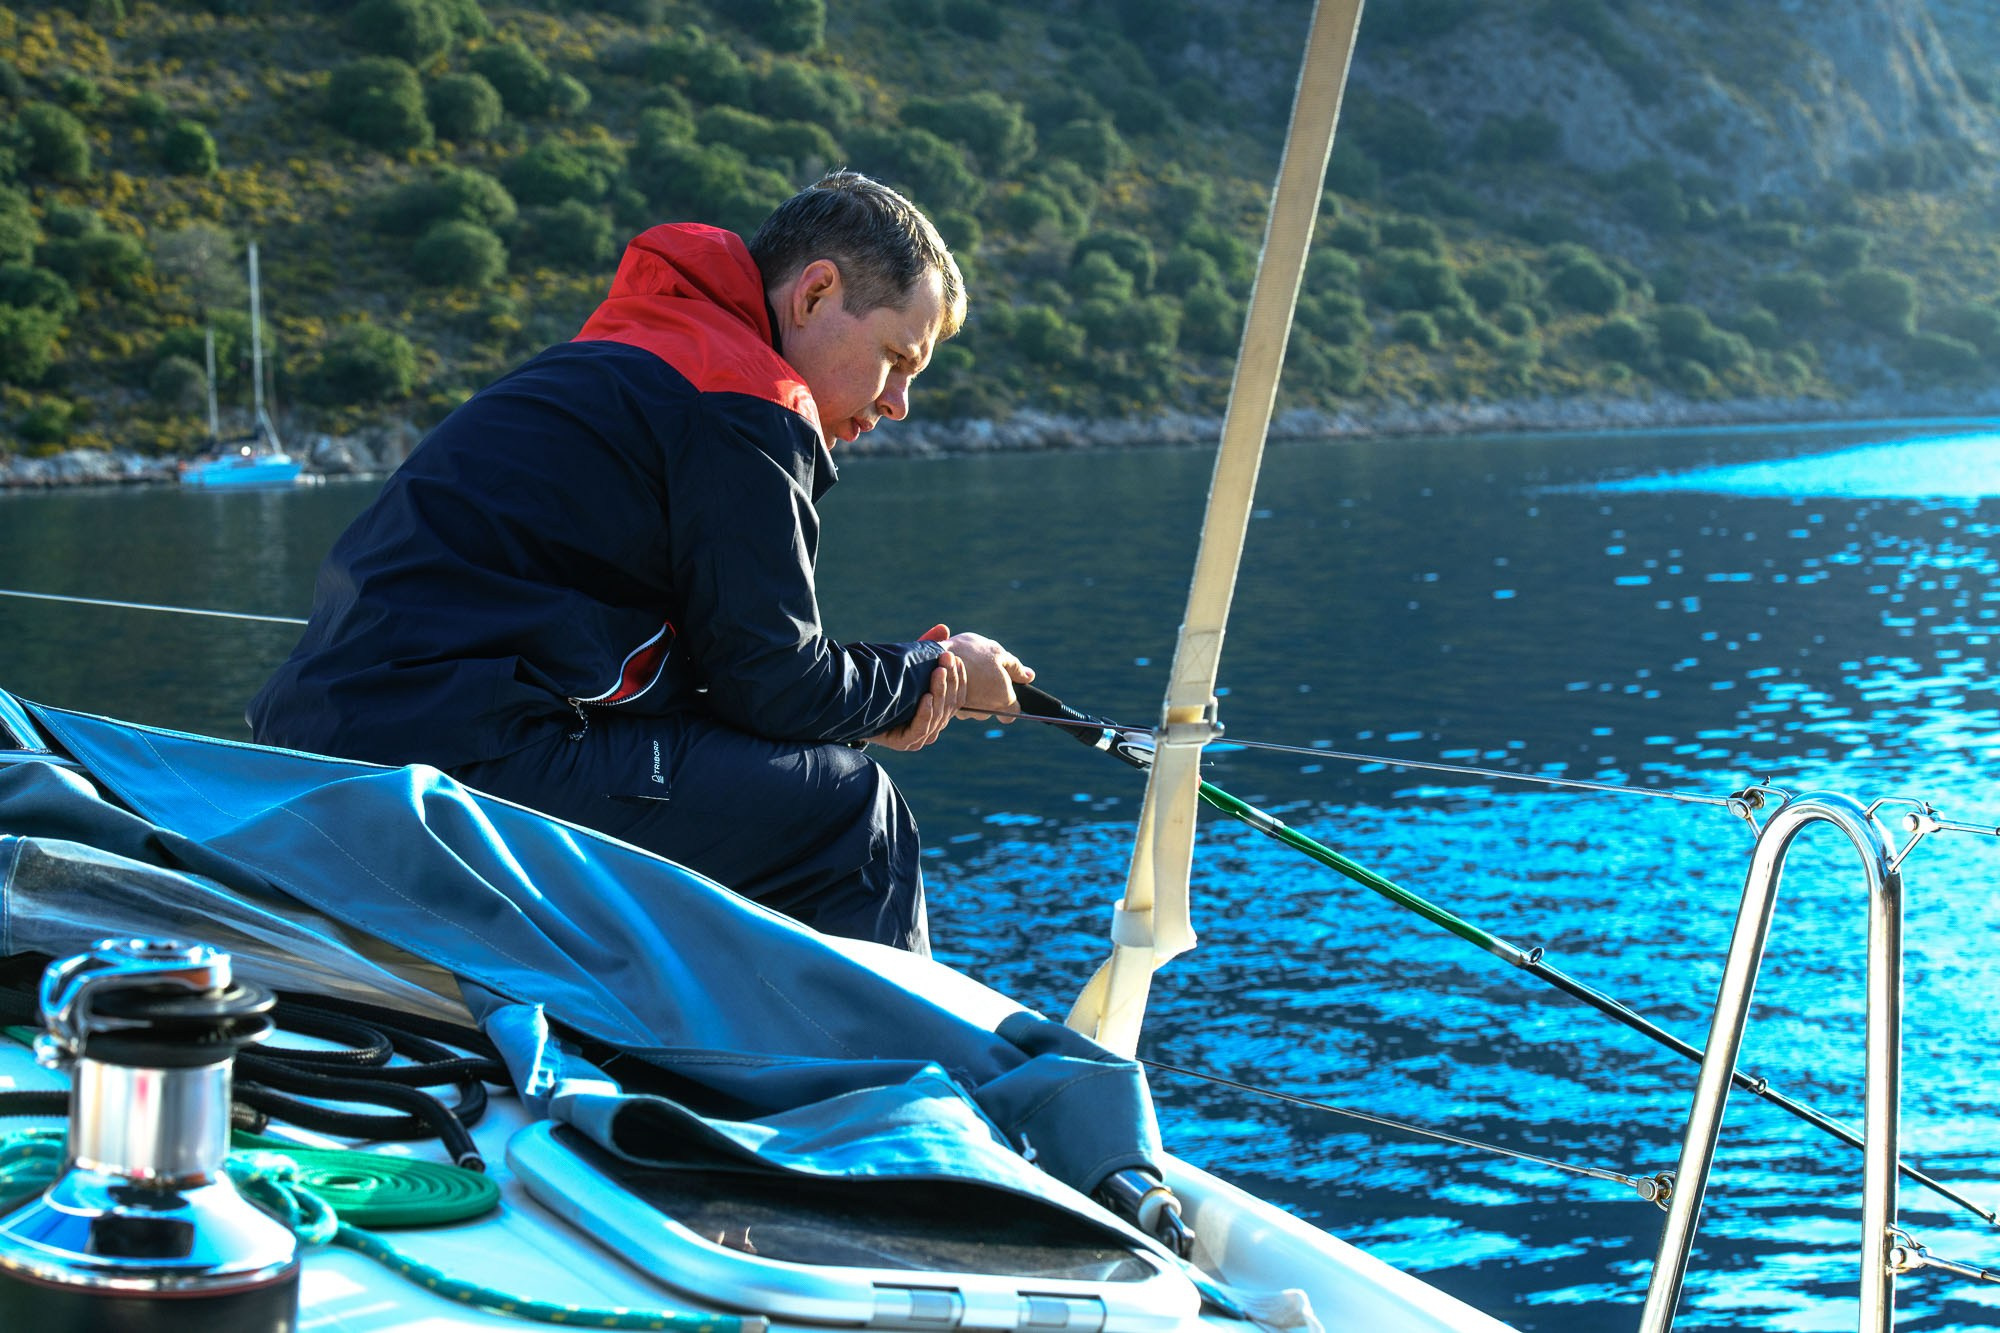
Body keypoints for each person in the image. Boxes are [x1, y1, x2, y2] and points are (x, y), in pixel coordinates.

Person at [248, 171, 1033, 956]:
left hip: (319, 738)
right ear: (816, 293)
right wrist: (932, 668)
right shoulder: (744, 393)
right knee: (855, 815)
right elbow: (776, 685)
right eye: (896, 357)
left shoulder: (642, 353)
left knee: (780, 774)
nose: (898, 402)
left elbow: (733, 678)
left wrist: (879, 697)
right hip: (446, 756)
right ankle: (891, 1071)